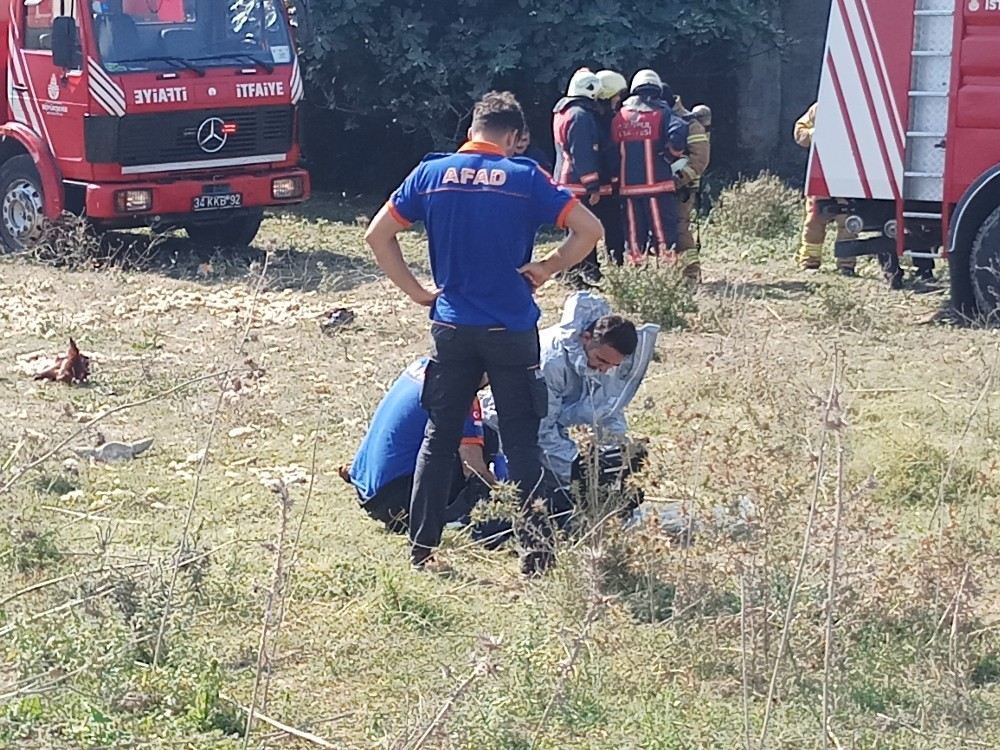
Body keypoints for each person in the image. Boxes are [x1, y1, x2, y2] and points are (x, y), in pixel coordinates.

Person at [364, 90, 603, 575]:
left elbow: (377, 235)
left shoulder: (430, 174)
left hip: (452, 326)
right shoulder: (524, 178)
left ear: (472, 129)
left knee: (439, 436)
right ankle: (535, 556)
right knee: (522, 441)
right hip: (511, 329)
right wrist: (548, 266)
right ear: (514, 136)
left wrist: (416, 292)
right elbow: (589, 228)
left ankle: (422, 550)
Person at [475, 292, 659, 544]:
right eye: (601, 361)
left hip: (552, 430)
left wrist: (620, 454)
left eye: (612, 366)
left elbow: (605, 409)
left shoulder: (596, 357)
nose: (604, 370)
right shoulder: (551, 363)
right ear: (585, 338)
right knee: (546, 507)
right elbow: (541, 433)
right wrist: (582, 472)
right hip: (510, 432)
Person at [341, 358, 492, 534]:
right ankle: (458, 518)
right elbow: (473, 470)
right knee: (482, 445)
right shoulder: (460, 390)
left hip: (369, 487)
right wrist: (507, 496)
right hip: (397, 500)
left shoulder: (424, 366)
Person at [612, 69, 689, 263]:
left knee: (634, 234)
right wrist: (670, 155)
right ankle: (666, 274)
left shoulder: (619, 117)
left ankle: (637, 275)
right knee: (663, 233)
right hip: (658, 187)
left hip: (628, 189)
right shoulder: (663, 113)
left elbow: (610, 150)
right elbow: (679, 131)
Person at [552, 68, 605, 282]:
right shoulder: (580, 116)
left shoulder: (562, 112)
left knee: (574, 231)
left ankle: (576, 272)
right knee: (584, 230)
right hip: (578, 182)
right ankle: (577, 273)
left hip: (564, 179)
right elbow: (582, 152)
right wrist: (592, 185)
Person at [794, 103, 859, 276]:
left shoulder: (859, 105)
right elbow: (799, 130)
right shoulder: (820, 107)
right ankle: (810, 262)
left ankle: (846, 264)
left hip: (850, 173)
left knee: (847, 221)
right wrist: (811, 134)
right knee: (814, 219)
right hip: (820, 173)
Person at [667, 88, 711, 284]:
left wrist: (679, 179)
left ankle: (691, 273)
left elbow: (700, 159)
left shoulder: (690, 124)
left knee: (679, 228)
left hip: (682, 188)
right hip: (660, 187)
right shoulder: (658, 119)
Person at [594, 69, 629, 265]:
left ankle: (607, 263)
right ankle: (616, 262)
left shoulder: (590, 116)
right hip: (604, 183)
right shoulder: (607, 121)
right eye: (618, 96)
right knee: (614, 224)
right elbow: (610, 153)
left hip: (597, 183)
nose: (619, 101)